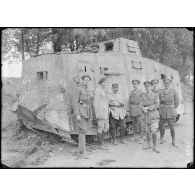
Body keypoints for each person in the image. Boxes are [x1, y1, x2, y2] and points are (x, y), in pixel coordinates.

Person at [72, 74, 93, 159]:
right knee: (82, 131)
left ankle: (80, 150)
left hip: (86, 112)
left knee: (83, 131)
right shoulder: (78, 89)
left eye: (88, 80)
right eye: (85, 80)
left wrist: (90, 114)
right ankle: (83, 151)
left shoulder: (87, 90)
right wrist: (77, 114)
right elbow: (75, 102)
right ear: (82, 80)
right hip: (81, 113)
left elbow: (89, 104)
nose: (87, 81)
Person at [159, 78, 179, 147]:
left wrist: (172, 108)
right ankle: (161, 138)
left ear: (170, 84)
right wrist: (160, 108)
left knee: (172, 127)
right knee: (161, 126)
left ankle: (173, 141)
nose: (166, 85)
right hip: (162, 111)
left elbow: (177, 102)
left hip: (171, 111)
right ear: (163, 84)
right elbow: (158, 101)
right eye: (165, 83)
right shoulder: (161, 92)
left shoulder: (174, 91)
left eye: (168, 83)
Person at [141, 81, 160, 153]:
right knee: (147, 131)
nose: (147, 87)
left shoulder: (155, 95)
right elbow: (140, 104)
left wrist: (148, 108)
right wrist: (143, 108)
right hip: (146, 116)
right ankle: (149, 144)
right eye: (145, 86)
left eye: (148, 86)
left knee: (154, 131)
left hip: (153, 115)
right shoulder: (143, 95)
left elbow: (157, 104)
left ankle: (154, 146)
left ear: (151, 86)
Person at [94, 77, 109, 148]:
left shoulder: (103, 90)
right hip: (101, 112)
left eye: (106, 82)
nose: (106, 83)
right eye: (105, 82)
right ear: (101, 83)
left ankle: (102, 141)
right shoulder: (98, 90)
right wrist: (97, 114)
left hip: (105, 112)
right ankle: (100, 144)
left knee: (106, 127)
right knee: (100, 128)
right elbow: (96, 103)